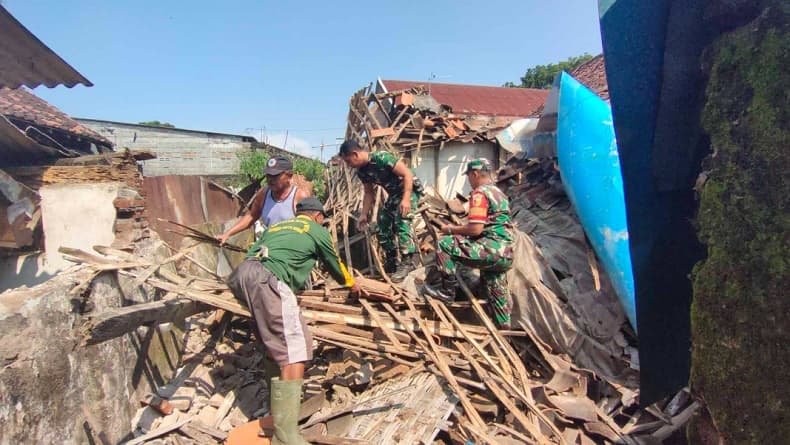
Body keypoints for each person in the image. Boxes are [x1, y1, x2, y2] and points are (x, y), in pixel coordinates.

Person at [226, 197, 363, 445]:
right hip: (268, 279)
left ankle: (276, 413)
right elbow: (334, 262)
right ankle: (286, 435)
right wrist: (352, 284)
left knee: (273, 343)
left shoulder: (277, 227)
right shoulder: (315, 229)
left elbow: (256, 254)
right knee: (296, 350)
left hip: (242, 275)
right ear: (318, 216)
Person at [423, 158, 515, 329]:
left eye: (469, 177)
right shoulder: (499, 193)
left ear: (474, 174)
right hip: (506, 254)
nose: (469, 181)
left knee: (446, 244)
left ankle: (446, 292)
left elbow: (476, 229)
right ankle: (505, 330)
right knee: (496, 291)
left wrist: (451, 229)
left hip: (491, 249)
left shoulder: (480, 193)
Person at [338, 139, 422, 283]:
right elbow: (369, 193)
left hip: (409, 190)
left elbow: (407, 174)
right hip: (395, 194)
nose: (348, 165)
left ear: (355, 154)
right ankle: (392, 261)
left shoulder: (381, 158)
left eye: (348, 161)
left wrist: (407, 199)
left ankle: (408, 262)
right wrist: (363, 214)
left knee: (402, 219)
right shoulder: (362, 172)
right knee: (383, 223)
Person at [217, 155, 310, 245]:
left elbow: (311, 229)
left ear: (289, 176)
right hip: (269, 248)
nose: (270, 179)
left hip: (293, 251)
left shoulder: (300, 197)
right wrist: (227, 234)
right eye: (268, 175)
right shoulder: (263, 194)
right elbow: (251, 216)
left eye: (275, 176)